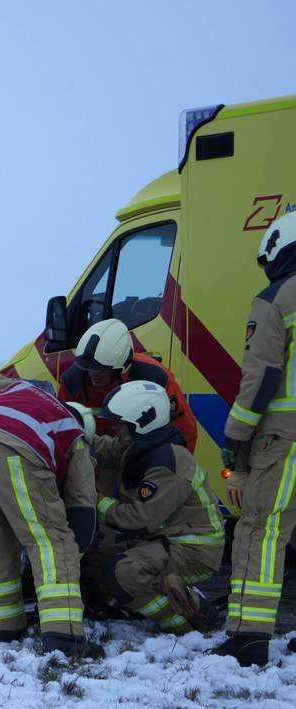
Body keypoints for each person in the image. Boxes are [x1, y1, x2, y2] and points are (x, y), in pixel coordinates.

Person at [0, 361, 101, 658]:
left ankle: (4, 628)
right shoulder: (75, 437)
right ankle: (64, 637)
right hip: (15, 446)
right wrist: (73, 555)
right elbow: (82, 513)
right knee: (51, 540)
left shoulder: (18, 389)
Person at [216, 210, 296, 666]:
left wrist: (235, 438)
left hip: (284, 440)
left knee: (261, 531)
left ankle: (249, 636)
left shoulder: (275, 299)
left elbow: (262, 377)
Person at [83, 381, 223, 633]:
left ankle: (189, 622)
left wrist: (92, 498)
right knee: (93, 563)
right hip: (166, 540)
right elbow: (106, 449)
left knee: (124, 572)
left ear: (141, 422)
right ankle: (130, 603)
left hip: (195, 550)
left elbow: (137, 519)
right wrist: (76, 435)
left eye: (119, 423)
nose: (114, 428)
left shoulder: (167, 463)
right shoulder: (138, 445)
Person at [58, 319, 198, 451]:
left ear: (123, 366)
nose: (93, 373)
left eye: (101, 369)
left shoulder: (154, 379)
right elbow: (64, 430)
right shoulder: (73, 383)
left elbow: (184, 429)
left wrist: (171, 465)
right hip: (99, 459)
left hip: (146, 457)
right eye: (88, 368)